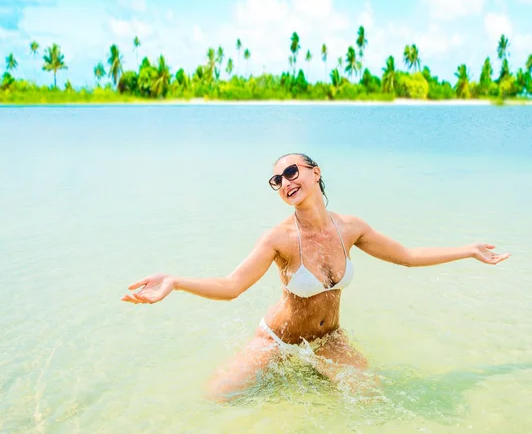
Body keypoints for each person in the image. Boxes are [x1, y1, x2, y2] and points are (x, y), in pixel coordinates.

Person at [121, 153, 510, 401]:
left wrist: (468, 250)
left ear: (315, 172)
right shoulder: (280, 239)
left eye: (292, 171)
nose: (286, 182)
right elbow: (232, 285)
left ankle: (314, 370)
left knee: (370, 397)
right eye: (277, 180)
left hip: (328, 338)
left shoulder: (351, 228)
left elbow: (407, 256)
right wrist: (175, 281)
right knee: (219, 398)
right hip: (278, 339)